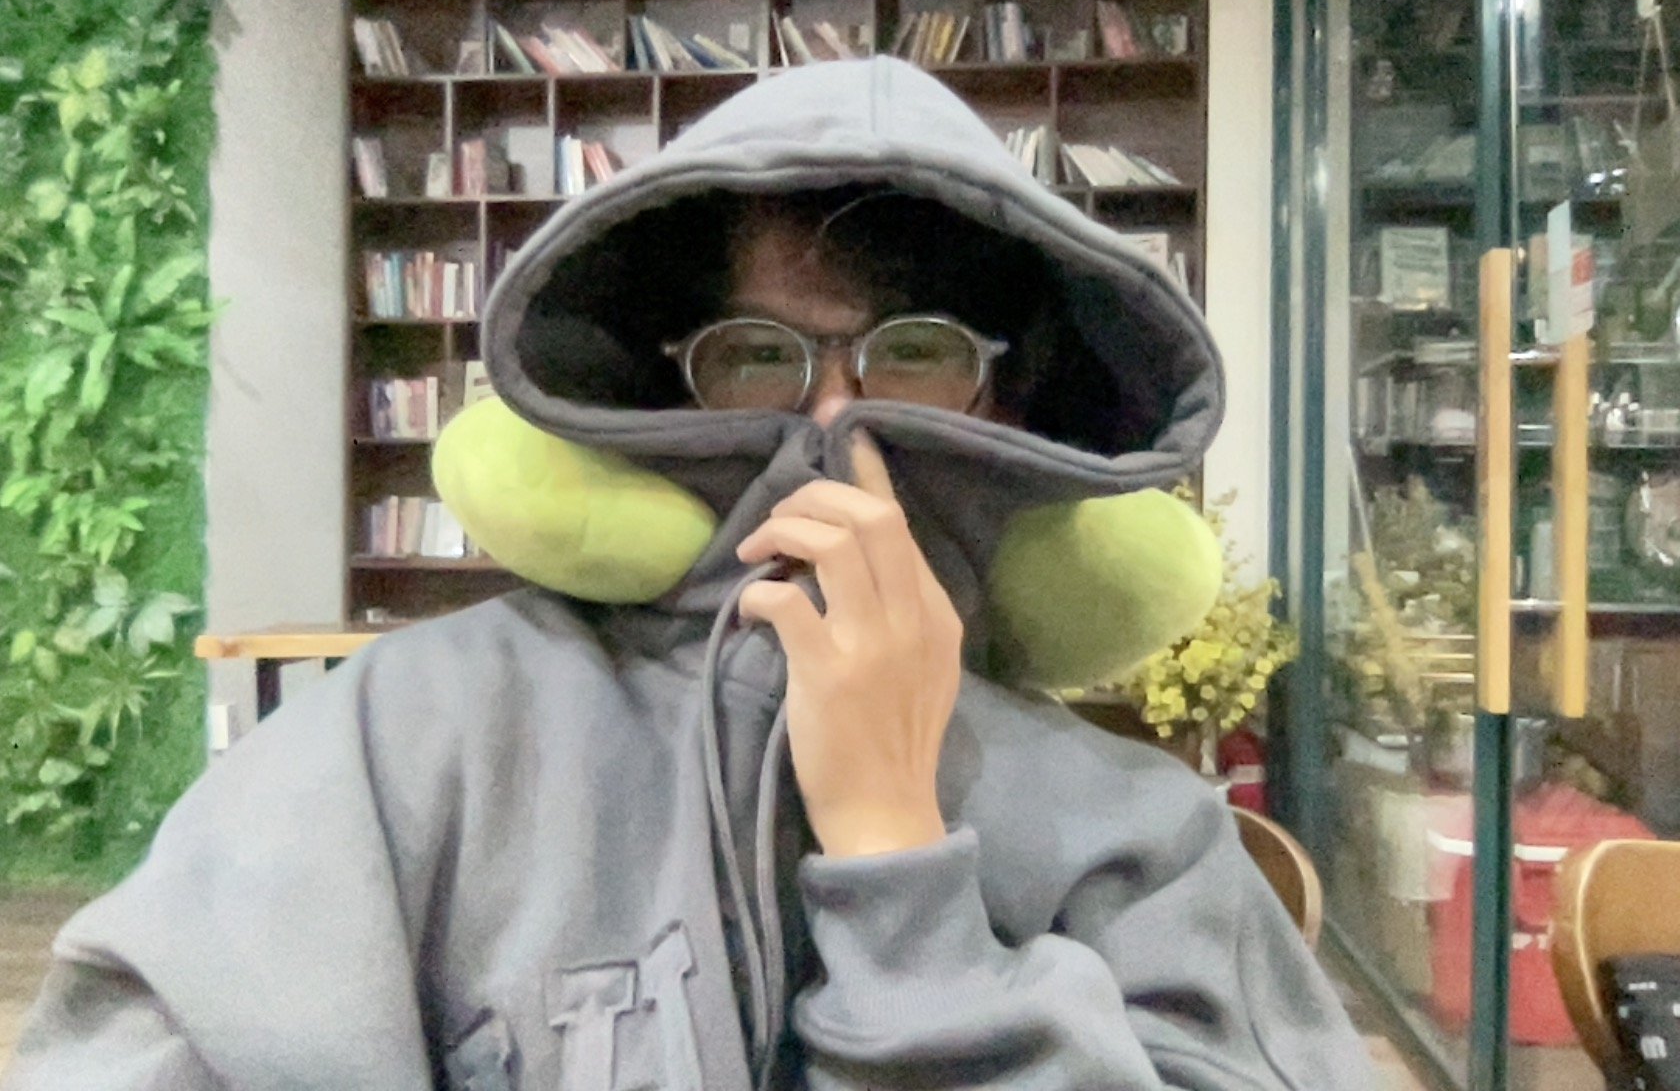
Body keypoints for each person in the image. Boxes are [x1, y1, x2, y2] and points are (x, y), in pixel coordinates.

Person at [2, 57, 1372, 1090]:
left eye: (911, 354)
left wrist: (899, 860)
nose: (831, 420)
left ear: (1010, 399)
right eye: (759, 357)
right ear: (668, 383)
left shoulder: (1145, 836)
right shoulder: (400, 742)